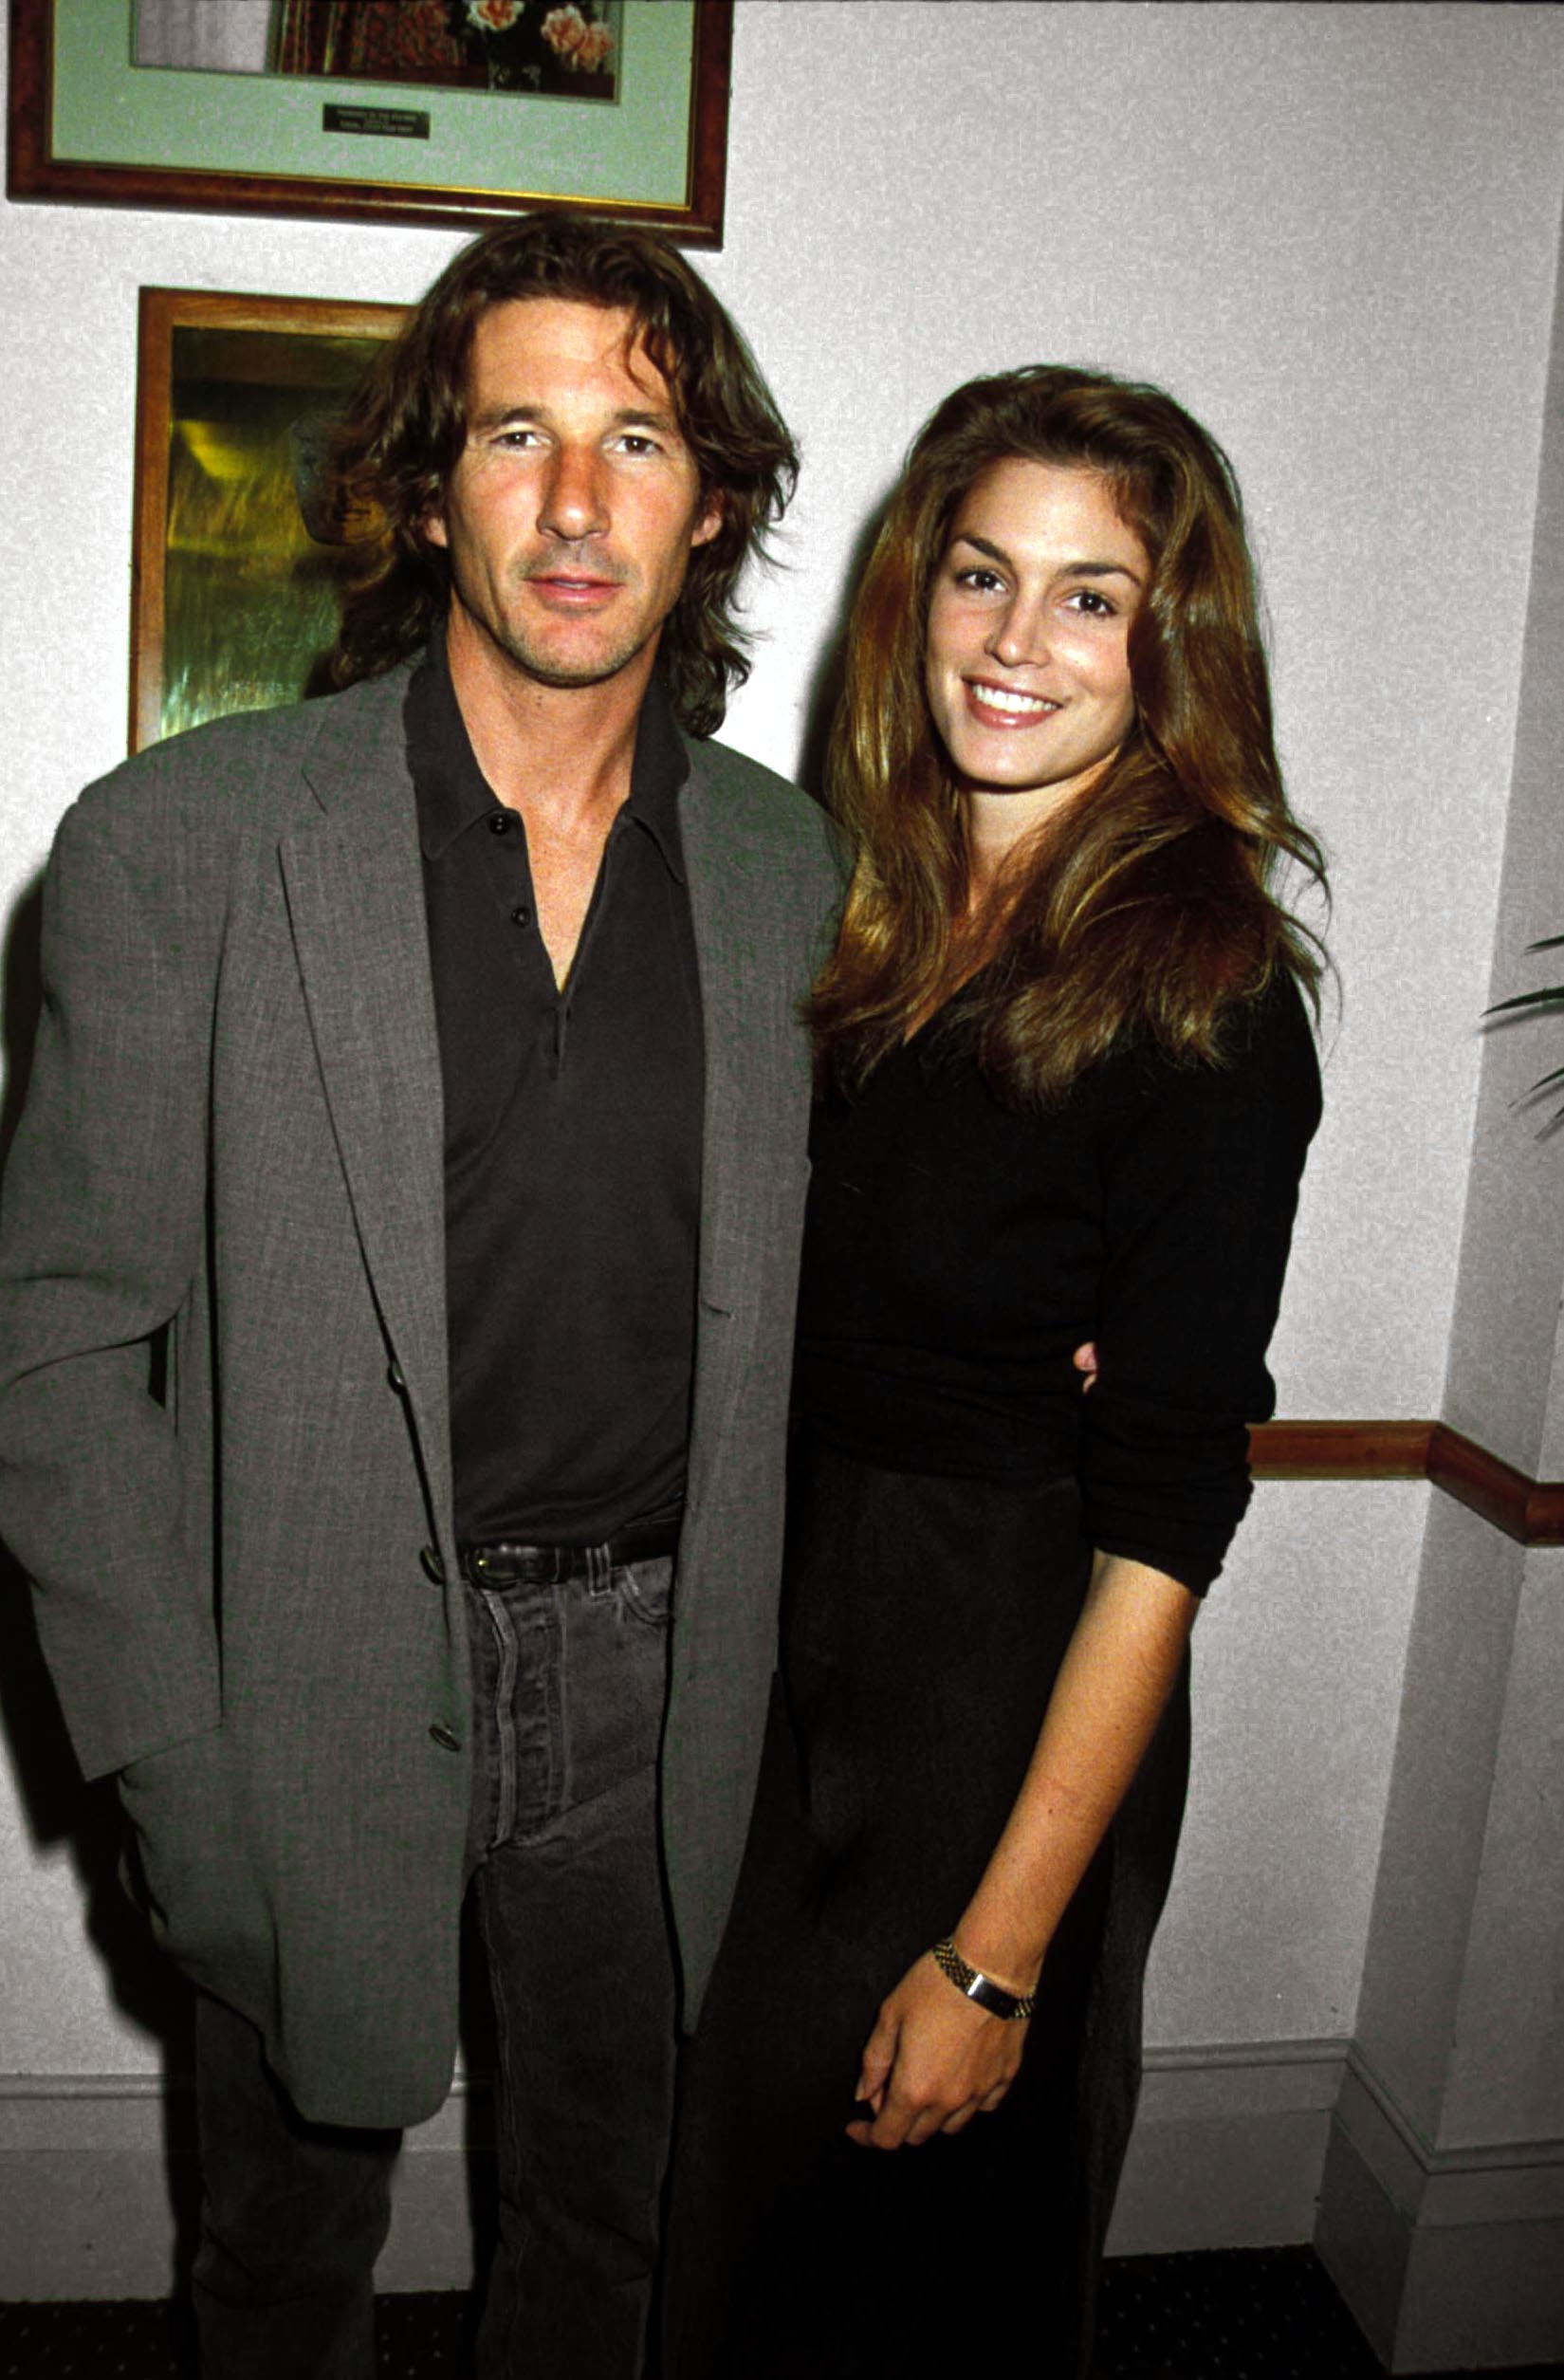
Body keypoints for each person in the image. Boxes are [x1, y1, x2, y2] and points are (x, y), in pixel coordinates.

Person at [0, 212, 837, 2380]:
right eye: (519, 434)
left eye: (639, 438)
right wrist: (168, 1762)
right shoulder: (176, 845)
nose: (578, 503)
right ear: (430, 482)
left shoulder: (797, 879)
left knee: (613, 2234)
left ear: (712, 498)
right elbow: (57, 1344)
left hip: (666, 1694)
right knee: (277, 2259)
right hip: (304, 1683)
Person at [661, 365, 1326, 2378]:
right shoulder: (872, 915)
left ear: (1171, 648)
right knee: (752, 2232)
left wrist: (1000, 1948)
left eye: (1091, 595)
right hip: (803, 1648)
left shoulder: (1208, 990)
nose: (1017, 642)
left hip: (999, 1688)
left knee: (917, 2262)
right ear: (914, 597)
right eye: (980, 574)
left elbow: (1161, 1527)